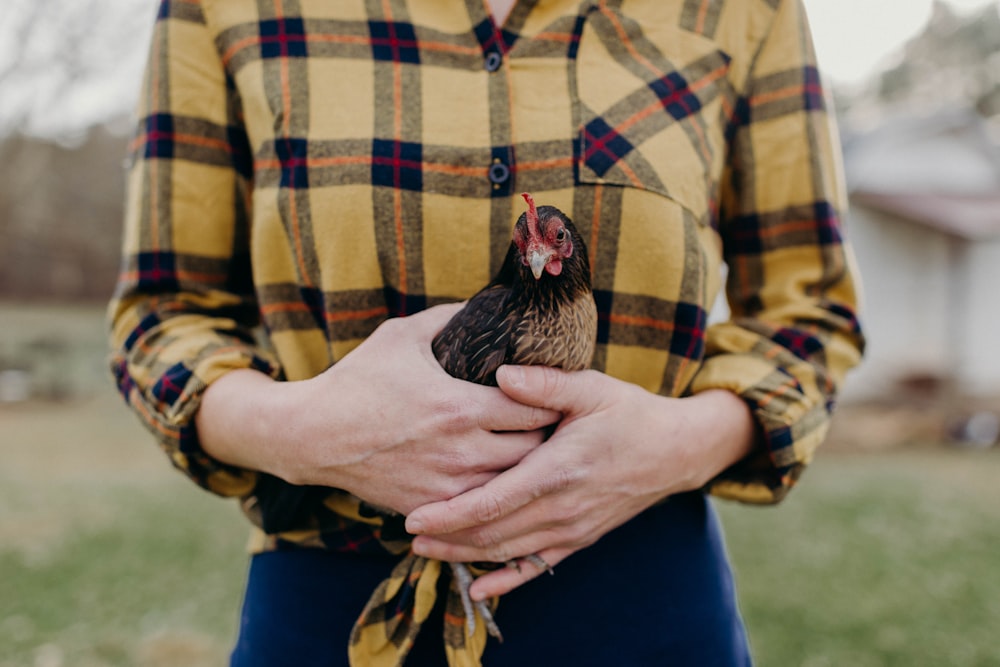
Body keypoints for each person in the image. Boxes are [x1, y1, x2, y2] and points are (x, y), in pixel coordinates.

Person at [108, 0, 864, 665]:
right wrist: (300, 430)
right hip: (331, 584)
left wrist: (675, 442)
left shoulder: (749, 7)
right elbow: (165, 312)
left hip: (638, 586)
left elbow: (808, 314)